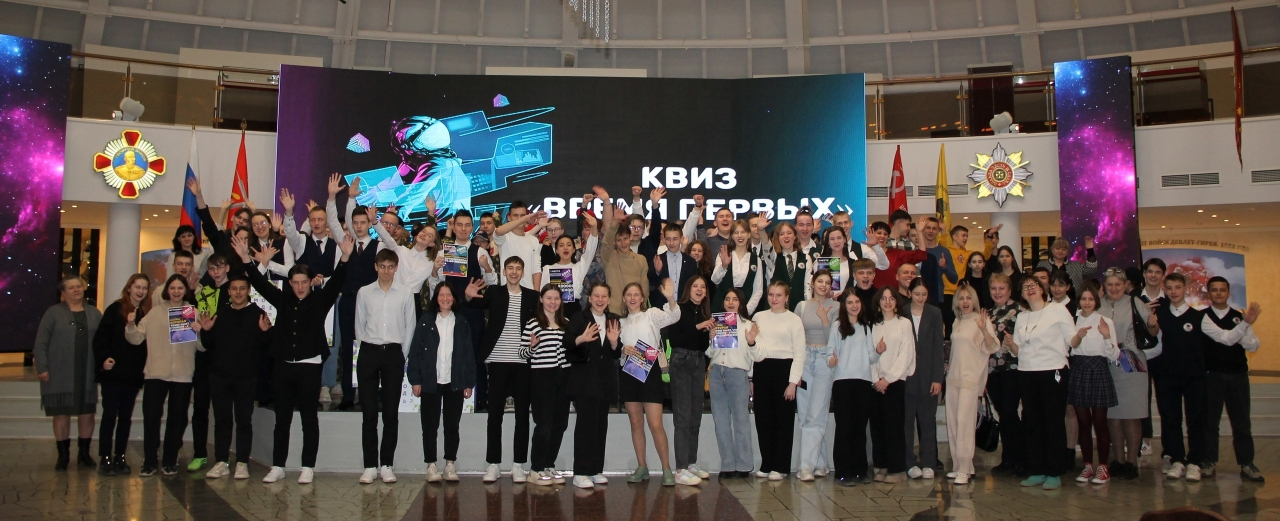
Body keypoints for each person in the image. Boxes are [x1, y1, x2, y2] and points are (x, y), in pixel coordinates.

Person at [233, 232, 352, 484]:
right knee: (282, 419)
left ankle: (307, 466)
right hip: (283, 366)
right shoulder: (283, 300)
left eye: (303, 282)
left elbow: (337, 282)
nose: (299, 287)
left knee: (309, 418)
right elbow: (259, 283)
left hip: (310, 367)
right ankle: (278, 465)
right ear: (290, 283)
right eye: (295, 282)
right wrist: (245, 259)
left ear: (310, 282)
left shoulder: (320, 301)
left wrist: (345, 258)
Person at [464, 257, 539, 483]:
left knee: (522, 416)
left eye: (518, 268)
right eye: (510, 268)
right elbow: (474, 304)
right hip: (497, 361)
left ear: (523, 272)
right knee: (494, 415)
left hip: (523, 362)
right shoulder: (495, 292)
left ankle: (518, 465)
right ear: (504, 271)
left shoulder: (532, 296)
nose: (514, 272)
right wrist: (468, 296)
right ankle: (493, 464)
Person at [618, 280, 696, 485]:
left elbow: (674, 316)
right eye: (629, 295)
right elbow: (615, 349)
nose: (633, 298)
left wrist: (670, 297)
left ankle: (666, 468)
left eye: (636, 294)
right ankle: (642, 466)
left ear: (642, 298)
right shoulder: (620, 322)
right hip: (629, 372)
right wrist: (622, 350)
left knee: (655, 424)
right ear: (624, 298)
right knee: (636, 423)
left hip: (650, 371)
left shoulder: (651, 314)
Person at [126, 274, 204, 476]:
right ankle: (150, 461)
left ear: (185, 291)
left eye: (180, 288)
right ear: (167, 290)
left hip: (182, 375)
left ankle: (170, 459)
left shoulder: (192, 312)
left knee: (177, 420)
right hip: (155, 374)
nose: (176, 292)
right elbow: (136, 339)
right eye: (173, 288)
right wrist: (130, 325)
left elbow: (201, 347)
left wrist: (200, 332)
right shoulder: (155, 313)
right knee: (151, 418)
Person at [195, 274, 271, 480]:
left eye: (242, 288)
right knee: (222, 420)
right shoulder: (221, 313)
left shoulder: (258, 314)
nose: (238, 292)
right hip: (220, 376)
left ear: (248, 291)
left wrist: (265, 332)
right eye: (234, 289)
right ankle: (221, 461)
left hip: (246, 377)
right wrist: (206, 331)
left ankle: (242, 463)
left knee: (244, 421)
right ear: (229, 291)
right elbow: (208, 345)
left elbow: (266, 347)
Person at [353, 249, 417, 484]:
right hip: (369, 352)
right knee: (369, 413)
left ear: (396, 268)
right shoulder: (364, 292)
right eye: (382, 266)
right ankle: (370, 465)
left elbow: (410, 326)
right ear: (376, 267)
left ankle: (387, 464)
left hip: (393, 353)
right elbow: (359, 326)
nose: (386, 271)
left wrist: (401, 354)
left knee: (390, 413)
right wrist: (367, 346)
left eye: (390, 267)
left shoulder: (405, 293)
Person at [407, 284, 476, 484]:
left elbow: (468, 353)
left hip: (455, 381)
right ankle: (431, 465)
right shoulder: (426, 320)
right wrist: (415, 380)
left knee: (452, 425)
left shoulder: (461, 322)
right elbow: (415, 352)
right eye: (441, 295)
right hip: (430, 381)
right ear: (436, 298)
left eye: (449, 295)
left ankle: (450, 464)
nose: (445, 298)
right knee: (430, 426)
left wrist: (468, 382)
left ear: (454, 298)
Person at [1011, 276, 1075, 490]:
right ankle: (1037, 469)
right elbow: (1018, 350)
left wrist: (1080, 336)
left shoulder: (1057, 309)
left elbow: (1071, 339)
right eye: (1024, 287)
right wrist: (1010, 344)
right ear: (1021, 294)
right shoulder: (1022, 317)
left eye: (1033, 285)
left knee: (1053, 421)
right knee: (1032, 422)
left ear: (1041, 289)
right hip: (1027, 371)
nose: (1029, 289)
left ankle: (1054, 471)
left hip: (1052, 369)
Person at [35, 275, 103, 471]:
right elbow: (41, 343)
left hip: (87, 372)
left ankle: (84, 453)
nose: (76, 290)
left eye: (79, 286)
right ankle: (63, 455)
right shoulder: (53, 313)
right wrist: (42, 367)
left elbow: (104, 340)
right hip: (59, 372)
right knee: (61, 413)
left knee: (87, 413)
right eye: (71, 287)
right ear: (63, 293)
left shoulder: (94, 313)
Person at [431, 210, 498, 410]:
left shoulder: (480, 252)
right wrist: (434, 269)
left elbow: (493, 284)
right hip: (449, 313)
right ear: (454, 227)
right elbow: (436, 286)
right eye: (459, 225)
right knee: (448, 353)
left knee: (476, 355)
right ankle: (450, 396)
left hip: (473, 313)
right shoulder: (443, 253)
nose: (463, 229)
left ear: (472, 227)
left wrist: (487, 268)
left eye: (467, 225)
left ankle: (480, 397)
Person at [1148, 273, 1212, 482]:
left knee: (1196, 420)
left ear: (1185, 288)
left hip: (1194, 377)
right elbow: (1154, 341)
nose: (1173, 291)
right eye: (1169, 288)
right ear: (1164, 290)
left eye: (1177, 287)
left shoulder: (1198, 316)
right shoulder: (1160, 315)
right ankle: (1177, 459)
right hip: (1167, 376)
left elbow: (1223, 337)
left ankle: (1195, 462)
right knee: (1171, 419)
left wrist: (1244, 324)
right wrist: (1151, 325)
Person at [1200, 276, 1264, 482]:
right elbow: (1226, 339)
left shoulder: (1240, 316)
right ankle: (1209, 461)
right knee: (1210, 422)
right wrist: (1243, 328)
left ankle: (1247, 463)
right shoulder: (1203, 317)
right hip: (1212, 376)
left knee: (1242, 422)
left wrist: (1241, 329)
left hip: (1238, 376)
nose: (1218, 293)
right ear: (1208, 293)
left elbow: (1254, 345)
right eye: (1214, 290)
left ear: (1228, 293)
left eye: (1222, 290)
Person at [329, 176, 384, 412]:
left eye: (363, 222)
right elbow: (333, 221)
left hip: (371, 305)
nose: (359, 226)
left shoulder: (379, 246)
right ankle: (348, 395)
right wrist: (346, 198)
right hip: (348, 302)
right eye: (355, 222)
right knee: (347, 348)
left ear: (369, 224)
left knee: (370, 348)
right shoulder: (347, 242)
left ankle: (369, 393)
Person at [562, 283, 622, 489]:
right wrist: (581, 338)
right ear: (589, 298)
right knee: (585, 427)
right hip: (585, 381)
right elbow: (567, 343)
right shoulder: (580, 318)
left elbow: (615, 353)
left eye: (604, 296)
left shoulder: (613, 319)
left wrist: (614, 343)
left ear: (609, 299)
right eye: (596, 295)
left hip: (605, 382)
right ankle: (580, 472)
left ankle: (596, 469)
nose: (600, 300)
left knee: (600, 427)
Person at [93, 275, 150, 476]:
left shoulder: (144, 314)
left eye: (144, 288)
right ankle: (105, 457)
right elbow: (101, 338)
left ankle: (120, 456)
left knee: (125, 417)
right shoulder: (115, 309)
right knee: (110, 416)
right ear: (129, 288)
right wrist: (103, 359)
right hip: (114, 372)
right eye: (137, 287)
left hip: (132, 375)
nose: (140, 291)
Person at [1097, 268, 1150, 481]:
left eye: (1118, 284)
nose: (1114, 288)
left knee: (1131, 414)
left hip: (1130, 359)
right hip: (1106, 361)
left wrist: (1154, 325)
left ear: (1125, 284)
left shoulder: (1135, 303)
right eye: (1109, 284)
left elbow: (1152, 331)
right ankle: (1118, 460)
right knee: (1112, 415)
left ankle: (1132, 462)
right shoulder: (1097, 304)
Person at [751, 281, 806, 481]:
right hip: (762, 369)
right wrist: (751, 377)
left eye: (778, 295)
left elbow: (799, 354)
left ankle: (780, 466)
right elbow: (753, 349)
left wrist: (792, 382)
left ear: (787, 297)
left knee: (783, 420)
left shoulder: (794, 320)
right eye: (771, 295)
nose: (774, 299)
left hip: (785, 371)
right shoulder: (758, 317)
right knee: (763, 419)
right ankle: (767, 463)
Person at [944, 284, 999, 485]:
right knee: (953, 423)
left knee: (965, 423)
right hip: (953, 378)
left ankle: (965, 468)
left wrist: (984, 329)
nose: (965, 302)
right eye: (961, 298)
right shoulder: (957, 321)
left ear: (974, 300)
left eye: (968, 298)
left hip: (970, 379)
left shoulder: (981, 320)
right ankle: (960, 466)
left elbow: (993, 347)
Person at [706, 288, 762, 480]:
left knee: (741, 420)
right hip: (716, 374)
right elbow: (710, 354)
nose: (730, 302)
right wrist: (712, 339)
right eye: (727, 299)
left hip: (737, 374)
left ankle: (744, 465)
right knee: (720, 421)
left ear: (741, 303)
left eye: (735, 299)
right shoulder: (717, 323)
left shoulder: (749, 325)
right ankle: (728, 464)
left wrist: (752, 342)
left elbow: (758, 356)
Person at [1068, 280, 1120, 485]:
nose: (1087, 302)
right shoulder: (1072, 320)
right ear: (1079, 300)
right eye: (1084, 298)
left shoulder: (1105, 321)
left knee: (1100, 422)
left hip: (1099, 369)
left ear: (1096, 300)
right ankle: (1088, 465)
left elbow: (1114, 355)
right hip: (1079, 369)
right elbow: (1068, 348)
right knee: (1083, 422)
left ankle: (1103, 466)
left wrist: (1106, 336)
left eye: (1091, 299)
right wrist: (1078, 337)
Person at [187, 253, 233, 473]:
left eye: (219, 267)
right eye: (212, 268)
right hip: (203, 356)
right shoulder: (202, 292)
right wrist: (190, 292)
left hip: (225, 358)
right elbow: (189, 316)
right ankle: (199, 454)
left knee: (223, 412)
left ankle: (222, 457)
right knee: (200, 408)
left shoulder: (235, 291)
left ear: (227, 268)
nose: (216, 272)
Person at [665, 275, 714, 481]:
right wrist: (698, 328)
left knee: (695, 416)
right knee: (683, 417)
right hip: (681, 362)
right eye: (695, 286)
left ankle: (691, 462)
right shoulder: (678, 309)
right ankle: (680, 468)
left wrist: (709, 337)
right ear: (688, 288)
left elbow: (701, 346)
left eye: (703, 287)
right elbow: (674, 339)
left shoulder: (704, 312)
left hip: (698, 362)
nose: (699, 289)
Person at [522, 284, 572, 486]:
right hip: (542, 377)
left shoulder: (567, 323)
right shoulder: (533, 324)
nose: (553, 302)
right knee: (544, 425)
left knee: (560, 424)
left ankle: (549, 465)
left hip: (564, 377)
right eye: (549, 298)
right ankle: (536, 469)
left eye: (556, 298)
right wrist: (532, 347)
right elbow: (522, 353)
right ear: (541, 299)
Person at [867, 286, 916, 484]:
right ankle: (881, 466)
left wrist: (888, 379)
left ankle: (897, 470)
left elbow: (906, 354)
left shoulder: (904, 324)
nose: (887, 302)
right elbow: (869, 354)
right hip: (876, 383)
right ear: (878, 303)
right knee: (877, 427)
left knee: (894, 427)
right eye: (883, 298)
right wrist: (876, 379)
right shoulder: (873, 325)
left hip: (894, 382)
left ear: (897, 302)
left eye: (891, 298)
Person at [829, 288, 877, 486]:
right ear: (844, 305)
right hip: (842, 382)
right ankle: (843, 472)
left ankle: (860, 470)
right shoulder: (837, 326)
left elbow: (871, 357)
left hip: (863, 381)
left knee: (859, 427)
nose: (854, 306)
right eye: (850, 302)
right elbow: (830, 353)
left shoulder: (866, 327)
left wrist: (879, 351)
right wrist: (831, 361)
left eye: (857, 302)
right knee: (844, 427)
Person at [795, 270, 839, 481]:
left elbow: (834, 340)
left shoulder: (837, 307)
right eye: (820, 281)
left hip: (824, 360)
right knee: (805, 414)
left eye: (827, 282)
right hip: (804, 358)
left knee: (817, 414)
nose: (823, 285)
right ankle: (820, 463)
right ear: (812, 283)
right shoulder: (802, 306)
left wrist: (824, 320)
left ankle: (805, 467)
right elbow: (796, 336)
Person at [904, 278, 945, 480]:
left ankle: (929, 462)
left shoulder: (934, 313)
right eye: (917, 294)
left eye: (924, 294)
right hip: (906, 376)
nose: (920, 298)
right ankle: (909, 463)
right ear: (909, 293)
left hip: (928, 376)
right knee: (906, 423)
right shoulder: (902, 312)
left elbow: (938, 347)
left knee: (928, 421)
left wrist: (938, 378)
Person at [985, 273, 1025, 477]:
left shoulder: (1020, 311)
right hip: (993, 371)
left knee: (1010, 413)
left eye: (1001, 288)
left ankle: (1020, 459)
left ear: (1009, 291)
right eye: (994, 288)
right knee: (1003, 414)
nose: (997, 292)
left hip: (1012, 369)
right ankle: (1008, 458)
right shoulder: (987, 314)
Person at [595, 186, 650, 314]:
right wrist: (615, 222)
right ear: (615, 241)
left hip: (636, 311)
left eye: (625, 238)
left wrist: (642, 309)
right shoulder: (609, 257)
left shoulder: (641, 260)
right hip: (614, 311)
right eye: (619, 240)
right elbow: (606, 242)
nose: (623, 243)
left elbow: (644, 288)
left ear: (630, 237)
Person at [541, 211, 600, 316]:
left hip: (574, 311)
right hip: (553, 310)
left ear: (573, 249)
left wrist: (594, 227)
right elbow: (543, 294)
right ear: (557, 250)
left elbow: (591, 249)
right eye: (561, 245)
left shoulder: (579, 266)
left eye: (568, 245)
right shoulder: (547, 269)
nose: (565, 248)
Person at [711, 220, 764, 314]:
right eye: (736, 232)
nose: (740, 235)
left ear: (749, 234)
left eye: (743, 232)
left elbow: (758, 291)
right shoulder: (724, 255)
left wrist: (745, 311)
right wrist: (724, 266)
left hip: (746, 309)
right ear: (732, 236)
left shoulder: (756, 260)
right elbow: (715, 280)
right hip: (722, 308)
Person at [494, 200, 546, 290]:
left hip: (528, 292)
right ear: (509, 217)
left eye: (522, 215)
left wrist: (536, 294)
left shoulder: (533, 240)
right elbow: (498, 231)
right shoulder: (504, 237)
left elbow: (536, 270)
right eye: (515, 215)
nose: (519, 219)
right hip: (507, 292)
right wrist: (524, 219)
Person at [651, 222, 699, 309]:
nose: (671, 243)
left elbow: (693, 285)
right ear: (664, 239)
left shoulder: (690, 261)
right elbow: (651, 283)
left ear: (681, 239)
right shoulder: (658, 259)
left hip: (685, 307)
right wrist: (657, 272)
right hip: (662, 307)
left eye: (675, 239)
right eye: (668, 239)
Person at [767, 222, 811, 310]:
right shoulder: (773, 258)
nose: (786, 236)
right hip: (777, 307)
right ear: (777, 238)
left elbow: (807, 287)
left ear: (795, 236)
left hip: (799, 306)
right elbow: (765, 245)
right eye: (782, 234)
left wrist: (808, 307)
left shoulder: (805, 258)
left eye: (789, 233)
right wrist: (761, 230)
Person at [870, 221, 927, 289]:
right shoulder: (863, 252)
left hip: (892, 293)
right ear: (870, 234)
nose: (882, 236)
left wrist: (919, 232)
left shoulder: (896, 254)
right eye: (879, 233)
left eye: (885, 234)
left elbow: (921, 255)